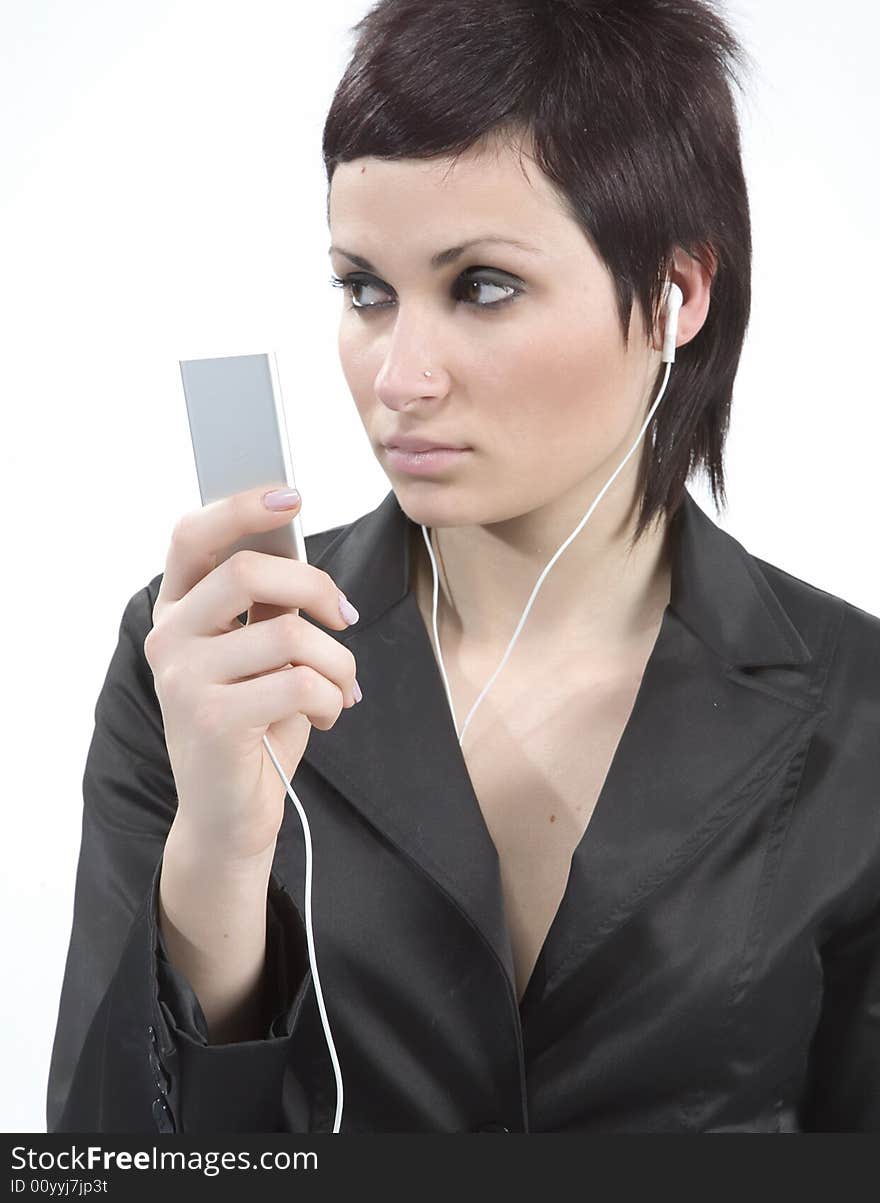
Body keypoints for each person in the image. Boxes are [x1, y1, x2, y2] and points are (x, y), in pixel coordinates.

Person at [47, 0, 880, 1134]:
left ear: (678, 295)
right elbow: (103, 1165)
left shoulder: (858, 708)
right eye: (364, 290)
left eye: (481, 286)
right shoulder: (206, 658)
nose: (398, 378)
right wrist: (216, 870)